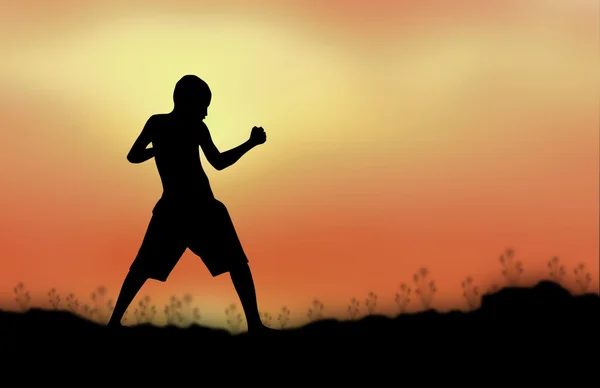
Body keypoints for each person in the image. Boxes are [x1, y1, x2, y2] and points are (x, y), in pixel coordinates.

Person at [107, 74, 274, 333]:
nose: (206, 113)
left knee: (142, 268)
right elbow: (218, 162)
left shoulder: (157, 124)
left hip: (180, 209)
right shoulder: (195, 127)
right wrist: (250, 144)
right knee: (235, 264)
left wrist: (159, 148)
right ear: (189, 102)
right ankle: (255, 325)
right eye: (203, 105)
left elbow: (134, 155)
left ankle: (113, 322)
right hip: (197, 210)